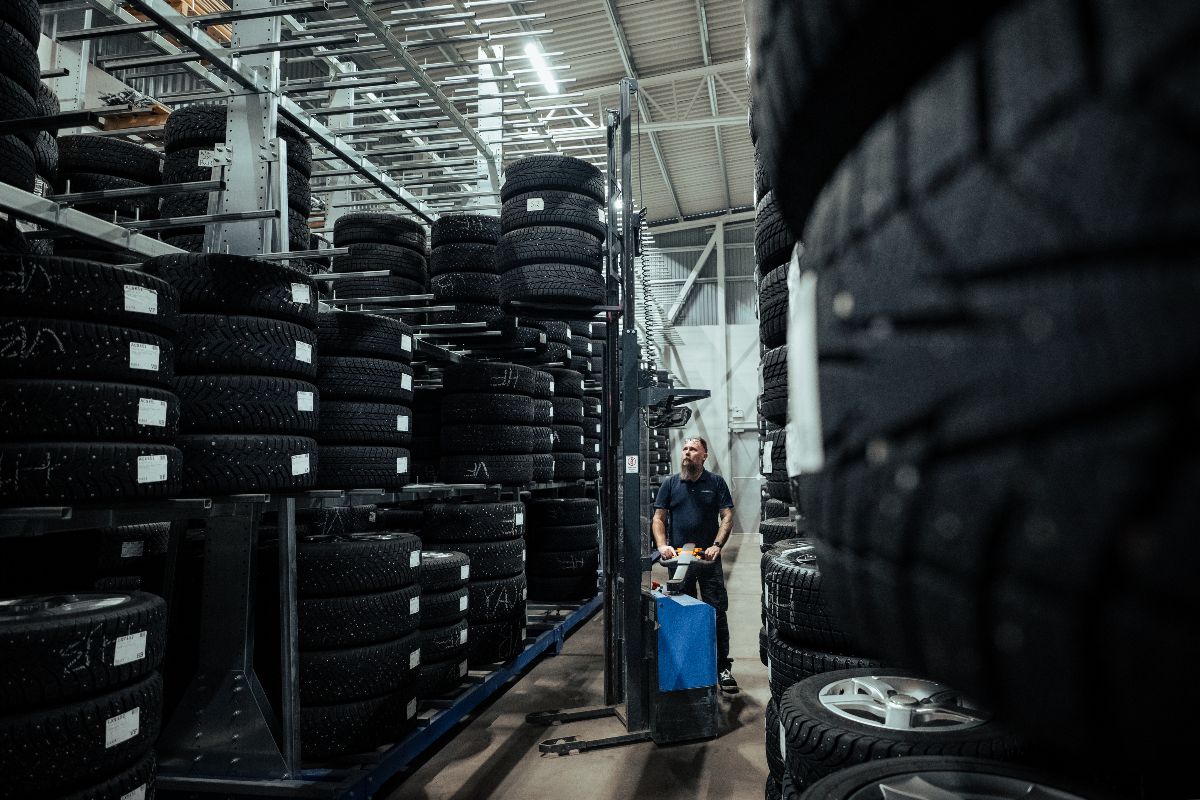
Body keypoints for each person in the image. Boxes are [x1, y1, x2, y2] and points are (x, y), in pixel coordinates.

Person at [651, 435, 737, 693]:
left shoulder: (716, 483)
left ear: (704, 456)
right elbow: (658, 518)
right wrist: (662, 545)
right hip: (679, 560)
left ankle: (722, 667)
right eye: (685, 448)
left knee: (716, 613)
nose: (687, 452)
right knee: (682, 613)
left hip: (707, 559)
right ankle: (688, 667)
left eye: (693, 449)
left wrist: (717, 546)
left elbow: (728, 516)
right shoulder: (670, 483)